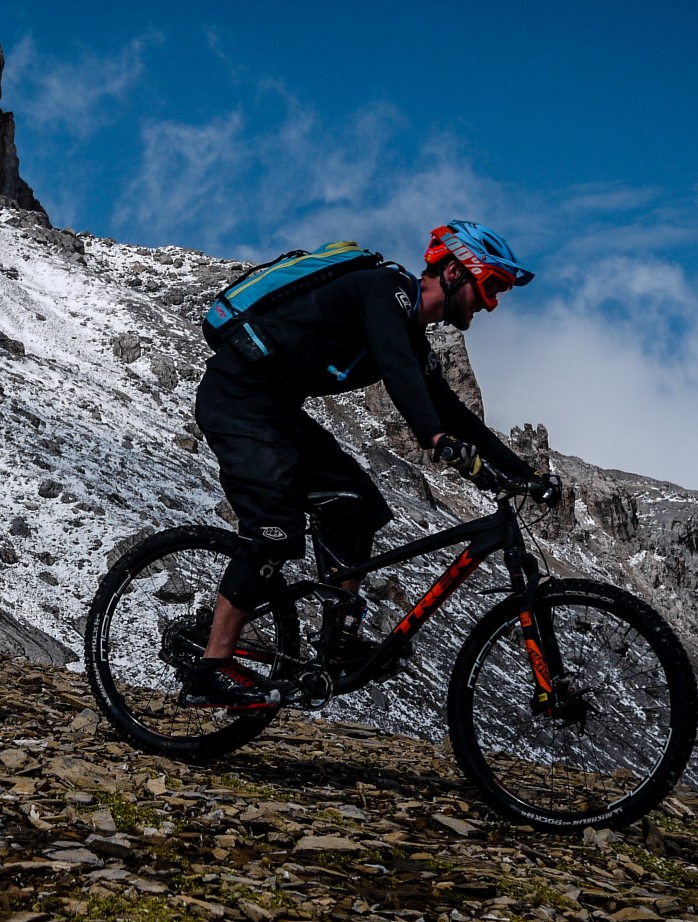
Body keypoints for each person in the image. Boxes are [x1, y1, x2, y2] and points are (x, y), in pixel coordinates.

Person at [185, 220, 559, 709]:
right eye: (488, 288)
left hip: (273, 408)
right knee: (274, 527)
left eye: (497, 294)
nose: (489, 304)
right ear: (451, 271)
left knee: (357, 504)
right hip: (236, 397)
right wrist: (435, 438)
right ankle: (212, 668)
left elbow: (451, 409)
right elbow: (402, 376)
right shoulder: (387, 291)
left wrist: (524, 474)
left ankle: (337, 639)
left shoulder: (409, 332)